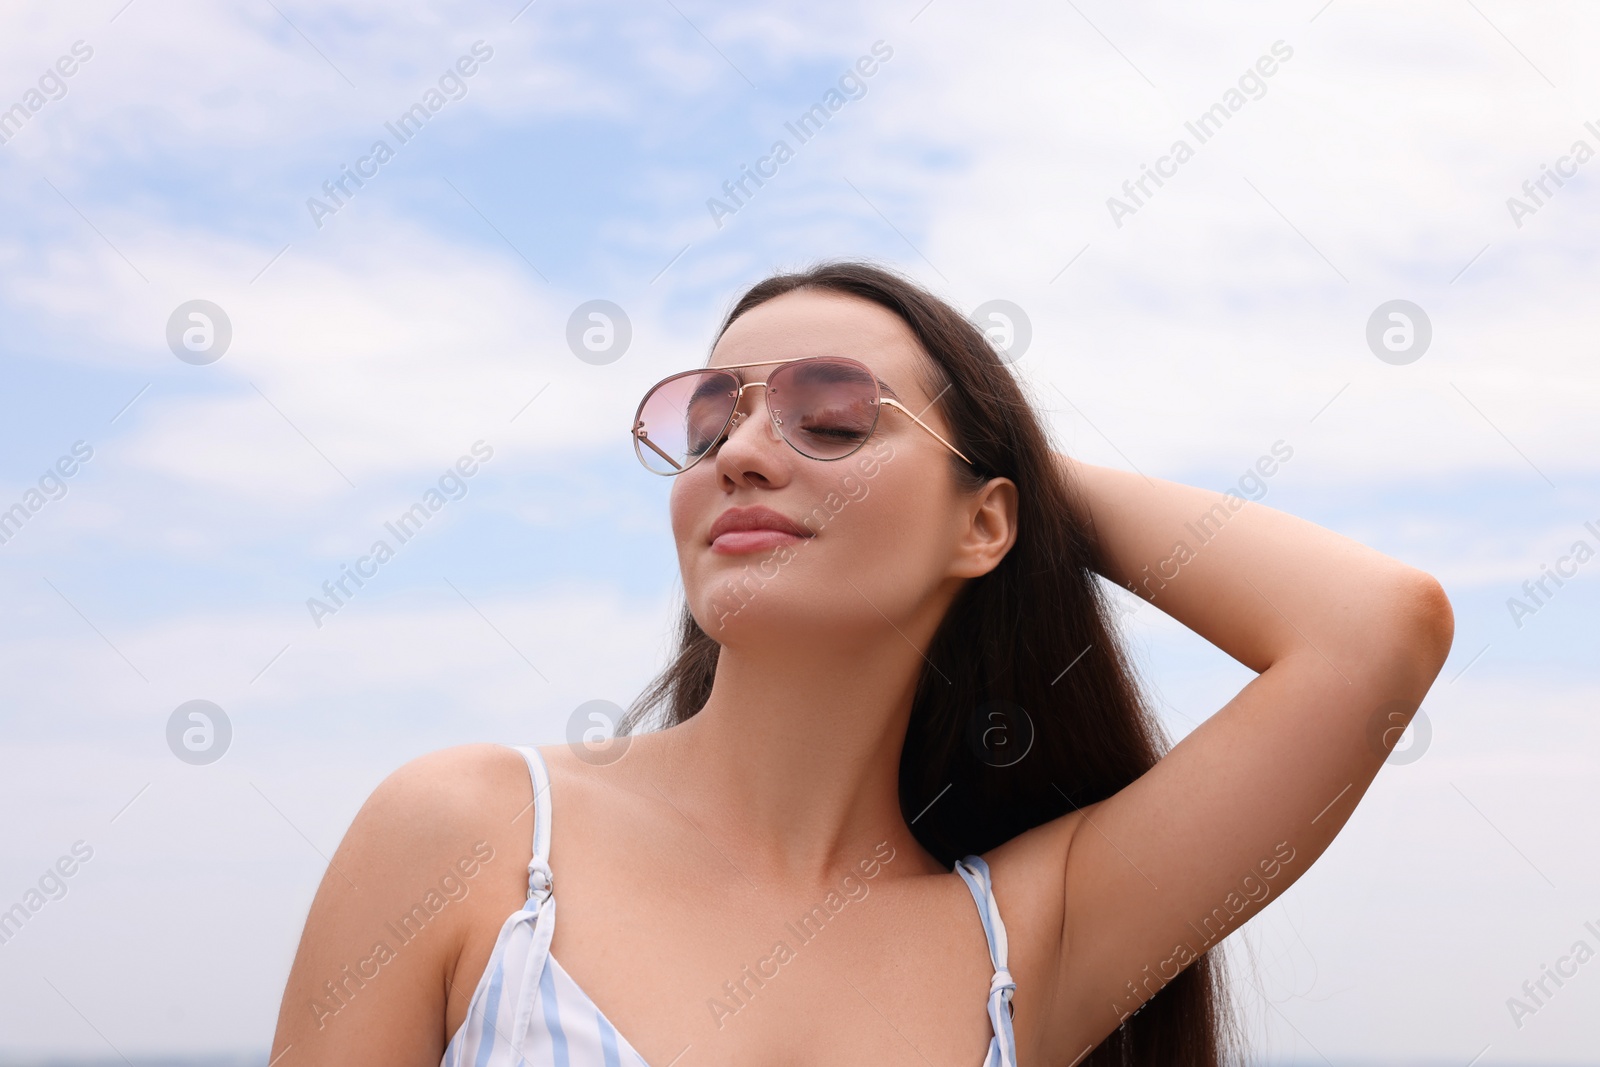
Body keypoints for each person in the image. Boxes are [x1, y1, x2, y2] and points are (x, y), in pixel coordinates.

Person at [270, 260, 1454, 1066]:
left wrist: (1014, 472)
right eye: (707, 421)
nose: (738, 450)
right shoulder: (473, 835)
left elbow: (1374, 630)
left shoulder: (1026, 939)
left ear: (982, 526)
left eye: (830, 415)